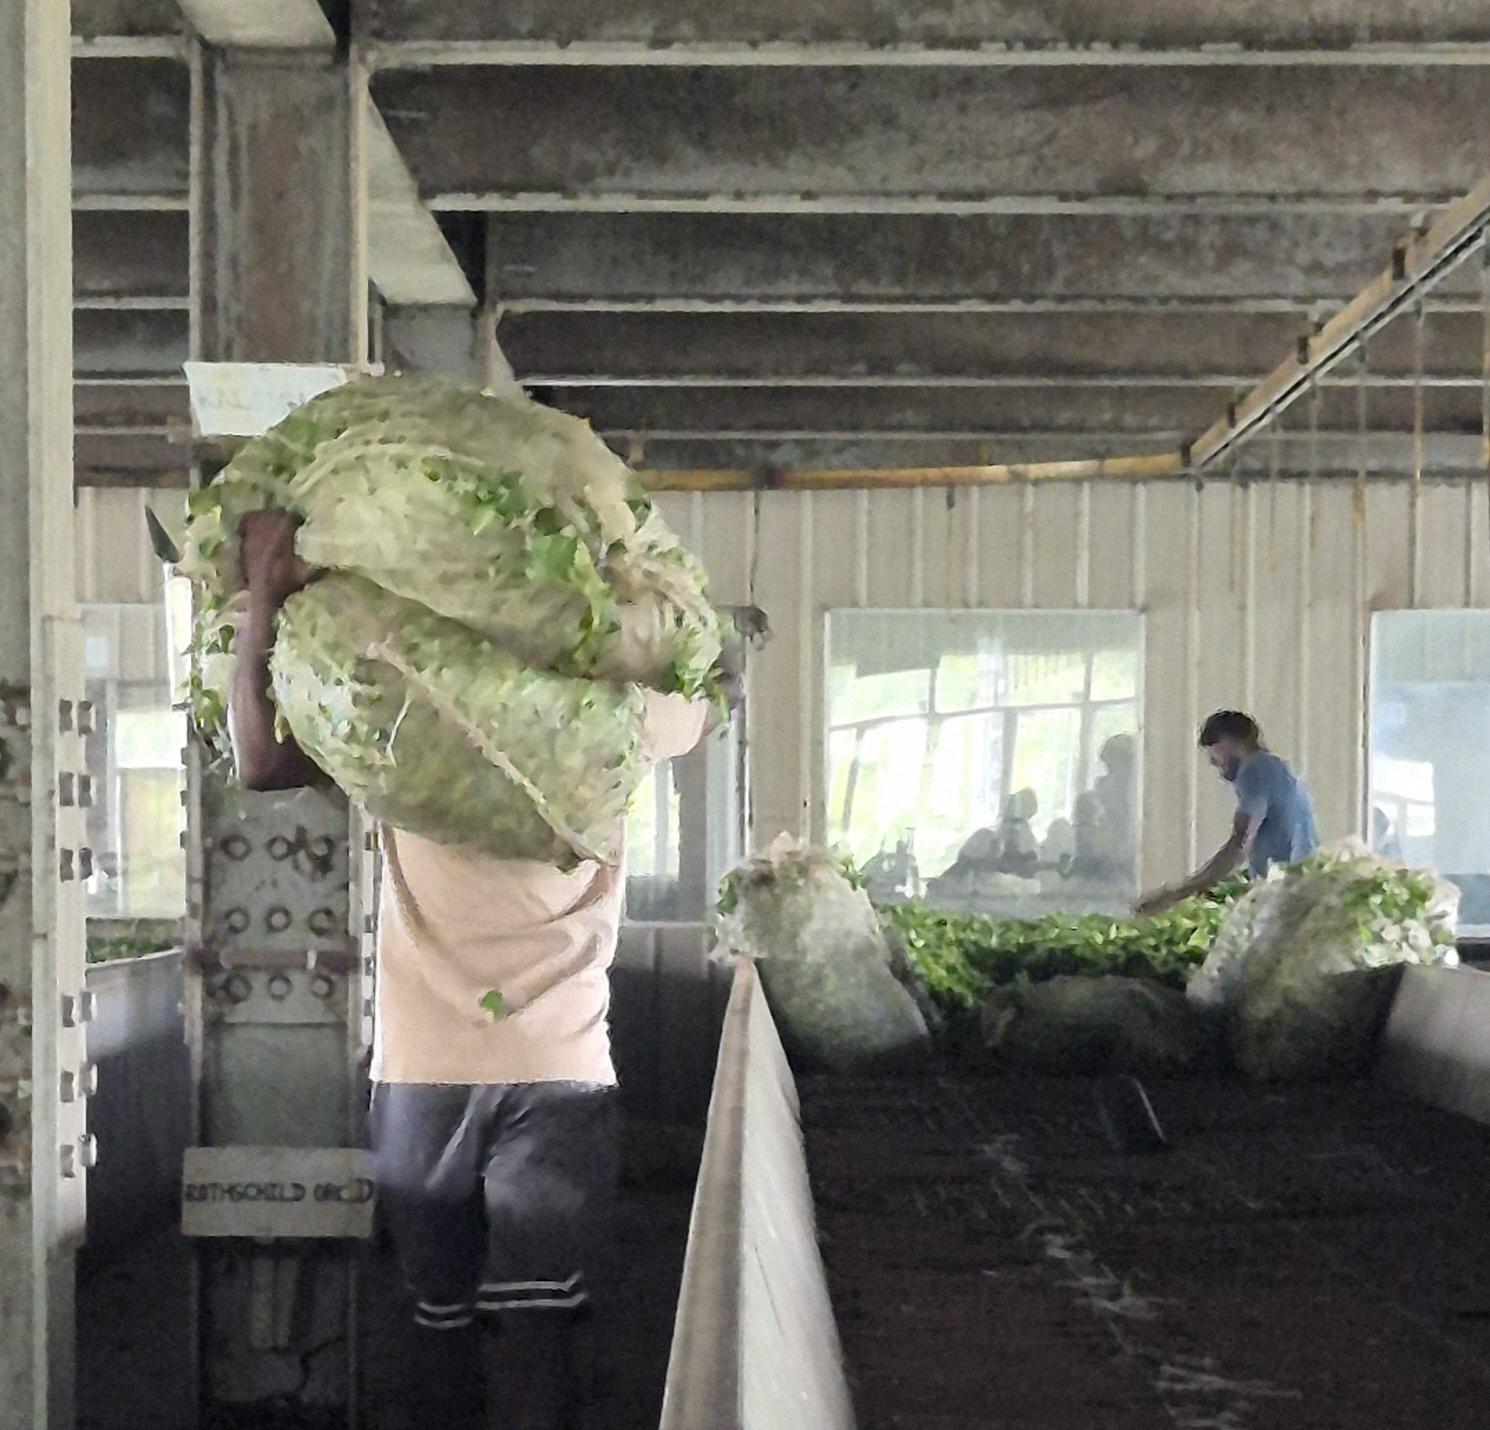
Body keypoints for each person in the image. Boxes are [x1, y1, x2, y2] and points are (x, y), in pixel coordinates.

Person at [231, 511, 738, 1430]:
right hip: (560, 1069)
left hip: (423, 1073)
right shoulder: (619, 715)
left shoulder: (401, 712)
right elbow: (705, 689)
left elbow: (260, 762)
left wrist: (266, 594)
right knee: (536, 1330)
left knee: (436, 1323)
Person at [1135, 710, 1317, 916]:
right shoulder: (1278, 769)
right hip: (1301, 886)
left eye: (1213, 753)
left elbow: (1239, 845)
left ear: (1230, 742)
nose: (1213, 763)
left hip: (1282, 897)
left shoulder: (1254, 771)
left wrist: (1174, 895)